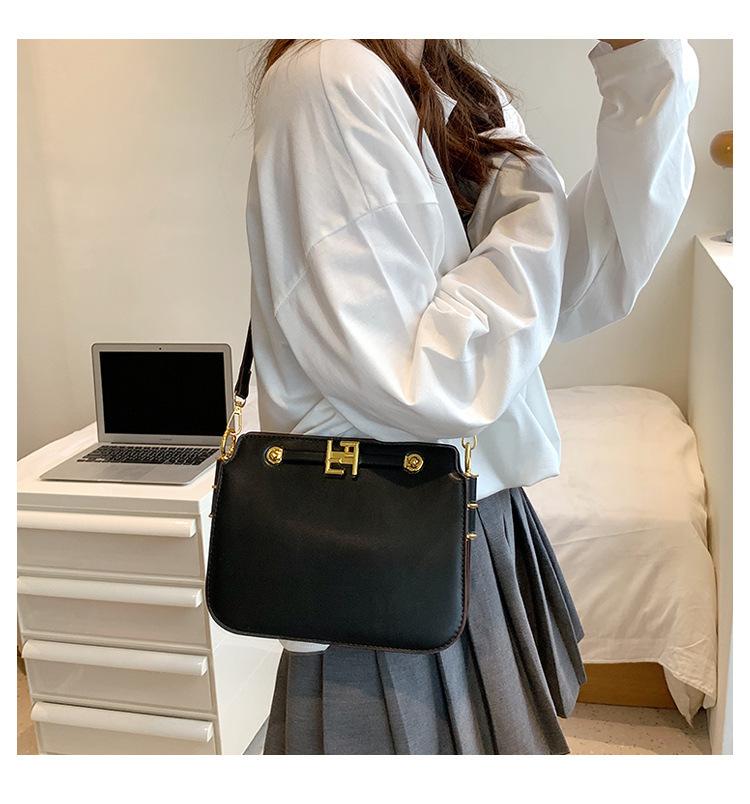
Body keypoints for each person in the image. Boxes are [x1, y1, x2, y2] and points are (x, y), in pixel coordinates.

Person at [243, 38, 699, 754]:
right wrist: (534, 213)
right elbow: (428, 376)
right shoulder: (330, 76)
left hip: (467, 514)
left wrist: (648, 69)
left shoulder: (452, 81)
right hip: (387, 537)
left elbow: (572, 289)